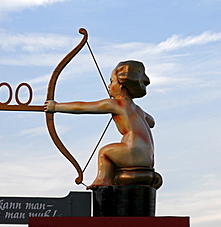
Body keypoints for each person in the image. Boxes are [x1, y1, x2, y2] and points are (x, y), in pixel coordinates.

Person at [45, 60, 154, 189]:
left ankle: (102, 181)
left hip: (133, 150)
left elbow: (83, 107)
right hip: (148, 155)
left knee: (105, 152)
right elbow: (152, 122)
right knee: (113, 154)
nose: (109, 85)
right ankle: (108, 180)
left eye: (112, 82)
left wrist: (56, 106)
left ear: (122, 86)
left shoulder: (116, 104)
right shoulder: (138, 109)